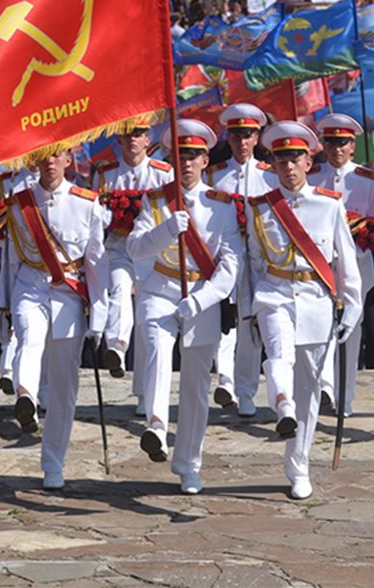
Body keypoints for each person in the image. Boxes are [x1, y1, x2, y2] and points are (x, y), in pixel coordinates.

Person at [245, 121, 362, 500]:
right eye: (281, 160)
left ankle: (299, 466)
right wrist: (248, 310)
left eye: (295, 159)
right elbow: (251, 264)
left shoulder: (328, 205)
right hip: (274, 294)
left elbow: (345, 260)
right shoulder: (260, 208)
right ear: (273, 165)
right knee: (278, 355)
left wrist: (351, 306)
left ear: (308, 163)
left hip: (315, 301)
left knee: (310, 388)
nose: (288, 167)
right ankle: (282, 407)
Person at [127, 120, 241, 494]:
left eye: (193, 156)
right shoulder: (157, 200)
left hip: (202, 296)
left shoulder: (221, 206)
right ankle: (156, 425)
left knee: (195, 386)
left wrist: (201, 300)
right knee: (157, 351)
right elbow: (135, 249)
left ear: (205, 160)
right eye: (180, 156)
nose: (187, 163)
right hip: (160, 287)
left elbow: (230, 266)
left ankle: (189, 463)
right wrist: (164, 230)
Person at [0, 149, 110, 490]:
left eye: (56, 155)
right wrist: (3, 308)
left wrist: (100, 319)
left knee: (64, 386)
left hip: (68, 296)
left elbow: (96, 264)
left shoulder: (87, 204)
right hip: (30, 286)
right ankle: (26, 396)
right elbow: (11, 261)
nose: (49, 161)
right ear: (35, 161)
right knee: (29, 339)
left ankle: (53, 464)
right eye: (43, 155)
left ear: (68, 161)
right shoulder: (19, 205)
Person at [90, 124, 173, 399]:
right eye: (126, 135)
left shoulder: (163, 173)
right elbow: (96, 216)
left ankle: (143, 393)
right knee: (119, 289)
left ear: (148, 139)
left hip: (152, 252)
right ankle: (117, 346)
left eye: (137, 134)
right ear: (119, 139)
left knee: (148, 320)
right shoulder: (105, 174)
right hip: (119, 247)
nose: (132, 140)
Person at [207, 103, 278, 417]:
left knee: (250, 322)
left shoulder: (270, 177)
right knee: (223, 317)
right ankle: (225, 378)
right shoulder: (214, 174)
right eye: (236, 135)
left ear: (257, 137)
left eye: (248, 135)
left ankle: (246, 391)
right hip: (224, 255)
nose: (242, 142)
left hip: (258, 256)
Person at [308, 113, 374, 414]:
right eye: (331, 142)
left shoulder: (365, 180)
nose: (336, 148)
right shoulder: (312, 177)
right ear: (323, 144)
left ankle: (346, 396)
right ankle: (323, 387)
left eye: (343, 143)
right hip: (320, 266)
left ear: (353, 146)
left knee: (351, 332)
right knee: (319, 326)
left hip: (356, 264)